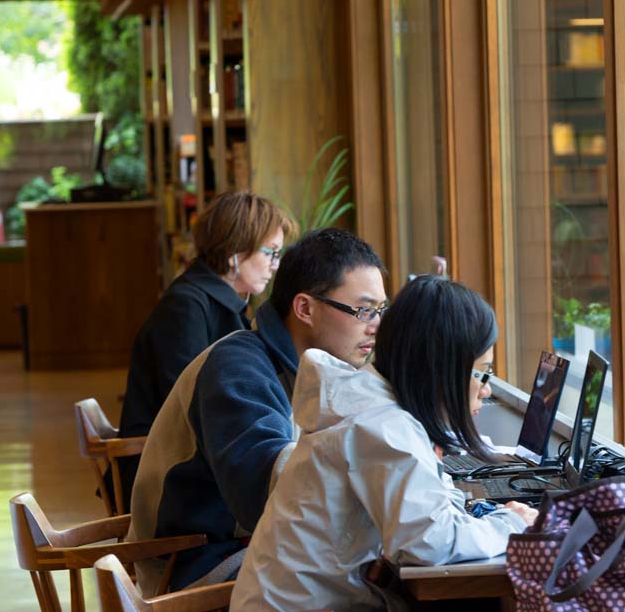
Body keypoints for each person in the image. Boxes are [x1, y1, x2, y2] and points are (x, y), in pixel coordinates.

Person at [230, 276, 538, 612]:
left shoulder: (372, 405)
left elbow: (427, 514)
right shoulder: (384, 427)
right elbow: (431, 543)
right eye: (482, 372)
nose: (486, 389)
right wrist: (512, 525)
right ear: (442, 369)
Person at [127, 228, 388, 594]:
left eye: (380, 310)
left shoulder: (316, 369)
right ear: (304, 309)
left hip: (253, 546)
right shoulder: (238, 368)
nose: (375, 326)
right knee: (381, 589)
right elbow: (264, 493)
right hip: (199, 564)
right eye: (363, 310)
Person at [111, 191, 294, 511]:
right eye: (270, 253)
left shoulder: (222, 303)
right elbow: (186, 402)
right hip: (166, 476)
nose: (274, 266)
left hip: (193, 460)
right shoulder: (186, 306)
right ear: (237, 247)